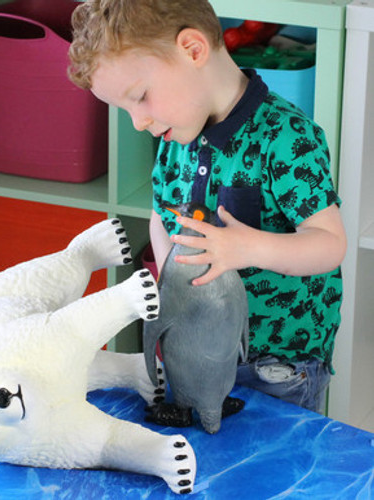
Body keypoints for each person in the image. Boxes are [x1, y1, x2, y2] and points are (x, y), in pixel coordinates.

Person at [67, 0, 346, 414]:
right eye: (125, 109)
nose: (137, 122)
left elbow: (329, 244)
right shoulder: (175, 137)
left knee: (264, 468)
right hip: (198, 350)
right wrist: (170, 281)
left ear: (193, 50)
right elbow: (162, 219)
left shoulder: (287, 137)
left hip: (277, 363)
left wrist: (246, 248)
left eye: (140, 97)